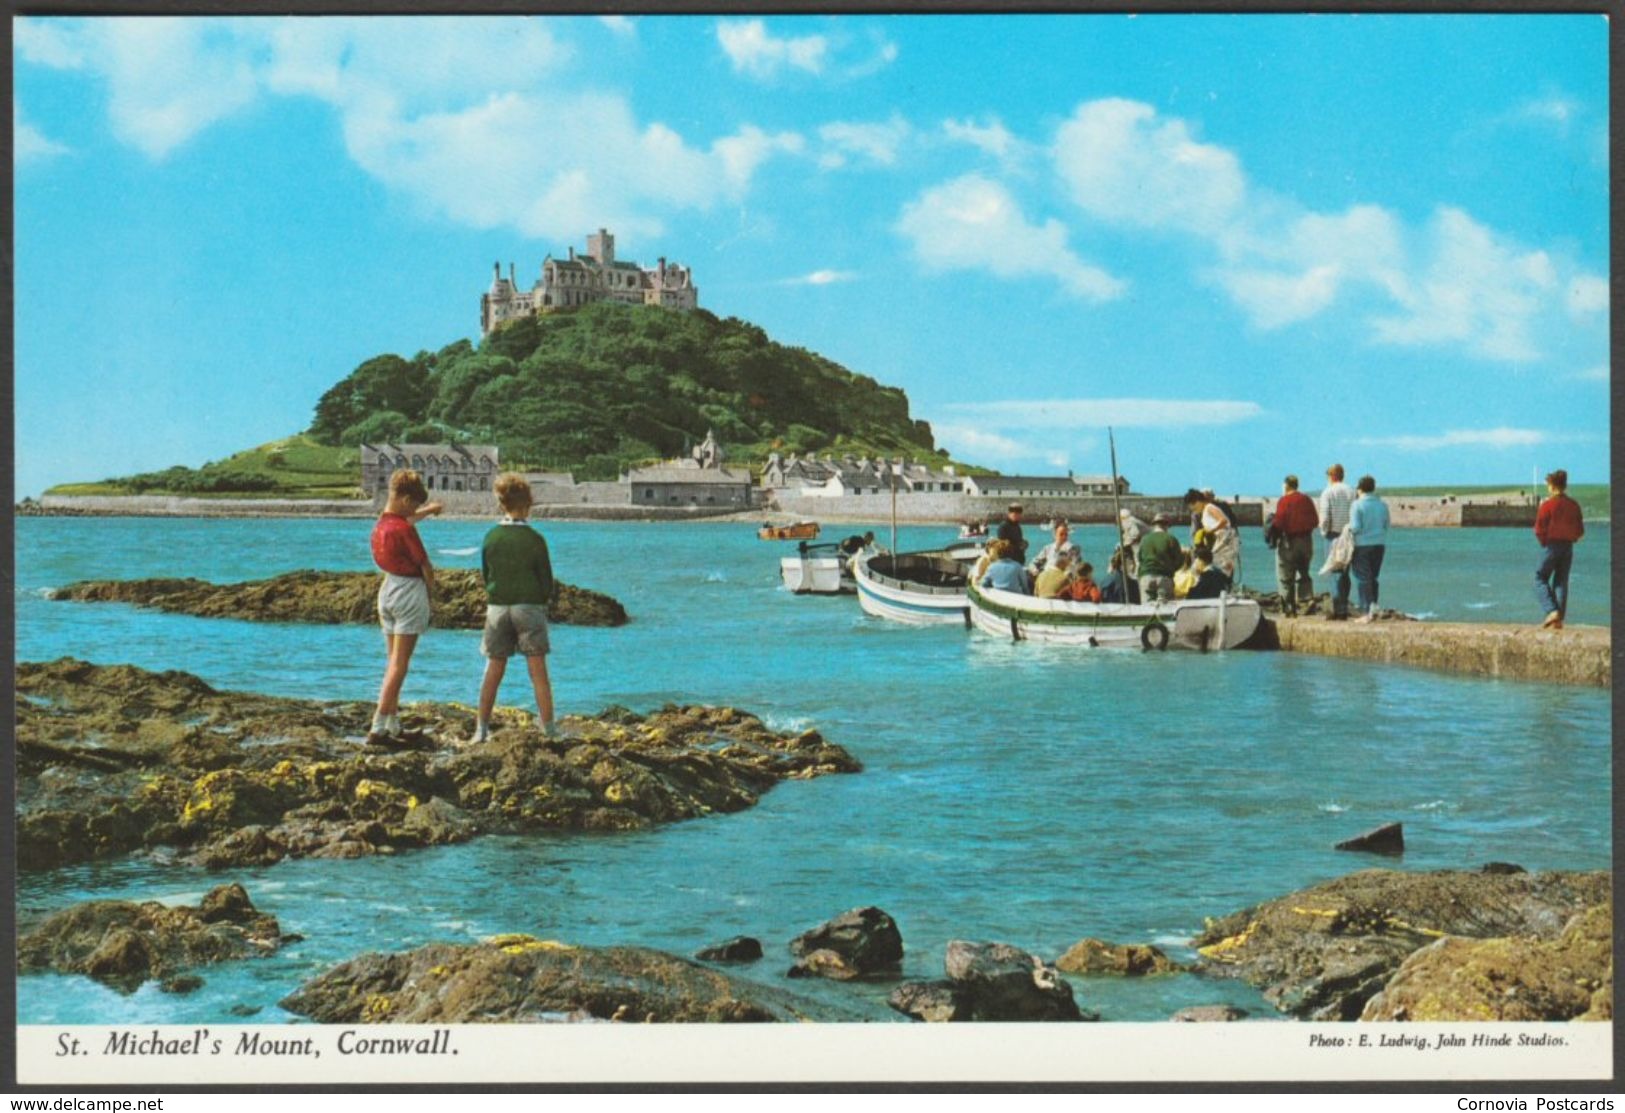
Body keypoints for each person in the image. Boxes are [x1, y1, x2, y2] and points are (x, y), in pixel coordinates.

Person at [473, 473, 559, 742]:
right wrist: (545, 601)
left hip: (498, 608)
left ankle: (481, 729)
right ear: (528, 504)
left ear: (501, 504)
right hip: (529, 607)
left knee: (493, 670)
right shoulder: (535, 539)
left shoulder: (491, 537)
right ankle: (549, 730)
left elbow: (487, 574)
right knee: (538, 672)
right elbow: (546, 580)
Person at [369, 469, 443, 741]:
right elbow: (424, 564)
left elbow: (406, 519)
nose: (415, 509)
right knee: (400, 664)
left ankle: (392, 723)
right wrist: (433, 592)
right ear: (403, 498)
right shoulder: (405, 529)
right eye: (413, 502)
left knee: (392, 663)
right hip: (409, 591)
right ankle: (378, 724)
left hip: (387, 589)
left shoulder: (382, 524)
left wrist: (428, 510)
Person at [1533, 468, 1584, 629]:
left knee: (1539, 578)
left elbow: (1539, 528)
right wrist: (1572, 538)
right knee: (1561, 581)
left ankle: (1552, 610)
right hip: (1568, 546)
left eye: (1548, 484)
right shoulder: (1573, 505)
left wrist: (1544, 542)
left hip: (1552, 545)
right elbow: (1580, 530)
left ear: (1553, 486)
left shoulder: (1547, 505)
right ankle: (1558, 619)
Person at [1272, 475, 1320, 616]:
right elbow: (1315, 521)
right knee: (1303, 572)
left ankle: (1289, 607)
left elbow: (1279, 522)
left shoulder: (1284, 500)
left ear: (1286, 486)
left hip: (1289, 542)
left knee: (1285, 575)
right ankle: (1306, 600)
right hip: (1306, 541)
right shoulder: (1306, 499)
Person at [1347, 475, 1390, 623]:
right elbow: (1386, 524)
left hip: (1362, 545)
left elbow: (1356, 527)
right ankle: (1374, 607)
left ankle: (1366, 612)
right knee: (1373, 577)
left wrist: (1347, 529)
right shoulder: (1382, 505)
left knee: (1362, 578)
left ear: (1359, 489)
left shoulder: (1357, 505)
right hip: (1379, 544)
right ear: (1373, 488)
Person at [1317, 463, 1356, 620]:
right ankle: (1344, 606)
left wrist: (1323, 531)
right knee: (1345, 572)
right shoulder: (1352, 491)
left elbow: (1325, 517)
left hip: (1333, 534)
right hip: (1349, 534)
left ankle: (1338, 609)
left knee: (1334, 571)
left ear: (1331, 476)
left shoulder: (1328, 492)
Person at [1185, 488, 1240, 582]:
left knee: (1219, 566)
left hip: (1225, 540)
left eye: (1193, 507)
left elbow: (1224, 521)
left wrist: (1211, 530)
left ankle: (1223, 589)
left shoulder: (1209, 507)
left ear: (1198, 501)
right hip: (1222, 540)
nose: (1193, 510)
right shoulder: (1205, 510)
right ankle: (1222, 588)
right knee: (1219, 567)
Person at [1136, 512, 1183, 603]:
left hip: (1146, 576)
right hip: (1164, 577)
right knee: (1165, 609)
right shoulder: (1171, 539)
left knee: (1147, 609)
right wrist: (1171, 569)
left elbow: (1139, 558)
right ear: (1167, 525)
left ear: (1154, 525)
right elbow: (1179, 561)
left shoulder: (1144, 539)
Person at [1116, 509, 1148, 577]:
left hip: (1142, 543)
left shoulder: (1128, 521)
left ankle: (1136, 576)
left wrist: (1123, 545)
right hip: (1144, 542)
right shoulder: (1133, 520)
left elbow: (1135, 535)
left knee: (1138, 560)